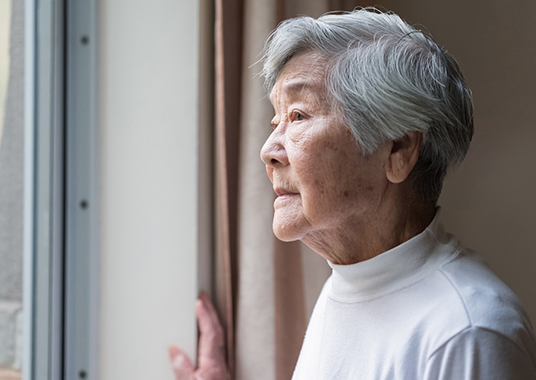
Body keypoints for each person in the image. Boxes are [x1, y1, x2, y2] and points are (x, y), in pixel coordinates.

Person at [169, 8, 536, 379]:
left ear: (399, 150)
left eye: (297, 116)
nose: (268, 150)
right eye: (275, 121)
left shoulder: (468, 332)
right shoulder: (347, 285)